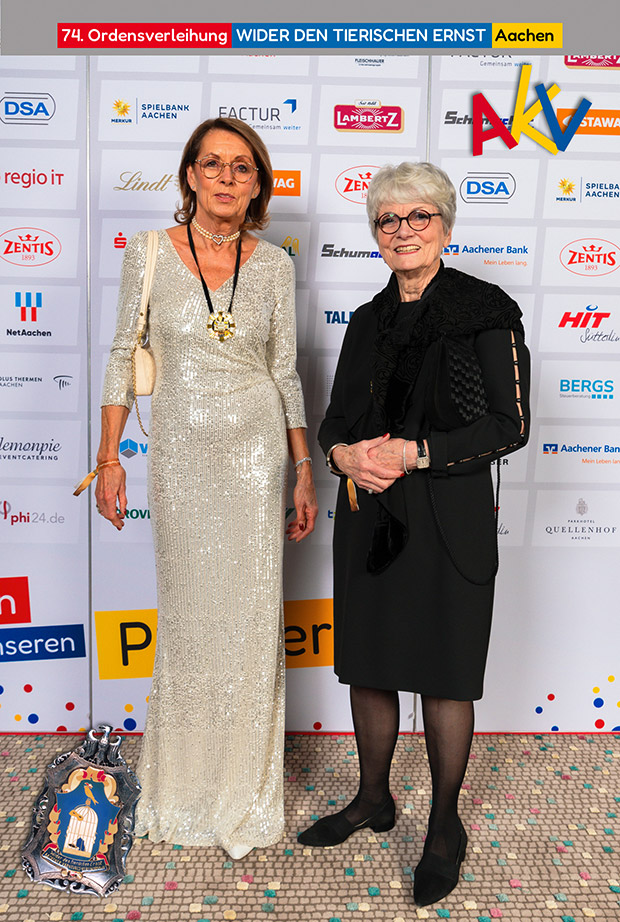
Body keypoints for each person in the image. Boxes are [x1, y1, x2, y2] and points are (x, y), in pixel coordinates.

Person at [298, 163, 530, 906]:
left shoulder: (485, 309)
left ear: (446, 226)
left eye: (418, 216)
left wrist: (415, 453)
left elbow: (510, 426)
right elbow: (335, 420)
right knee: (368, 665)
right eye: (387, 220)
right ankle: (373, 798)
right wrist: (343, 456)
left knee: (443, 673)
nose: (402, 231)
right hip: (368, 515)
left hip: (448, 520)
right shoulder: (367, 320)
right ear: (376, 234)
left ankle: (443, 827)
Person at [96, 117, 317, 859]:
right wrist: (109, 457)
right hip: (183, 457)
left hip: (257, 454)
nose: (227, 177)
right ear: (190, 174)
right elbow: (123, 353)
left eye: (242, 167)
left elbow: (284, 370)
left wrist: (304, 468)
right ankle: (183, 789)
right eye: (213, 163)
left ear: (258, 185)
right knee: (191, 616)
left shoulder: (275, 266)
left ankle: (245, 792)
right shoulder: (149, 251)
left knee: (251, 621)